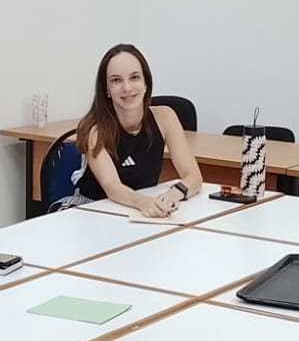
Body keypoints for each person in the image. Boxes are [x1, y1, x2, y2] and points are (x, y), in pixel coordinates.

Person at [69, 43, 204, 217]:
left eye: (134, 77)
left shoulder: (166, 117)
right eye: (116, 80)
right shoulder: (94, 129)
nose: (127, 88)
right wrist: (144, 203)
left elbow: (193, 176)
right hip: (92, 209)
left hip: (138, 209)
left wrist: (174, 194)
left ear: (146, 82)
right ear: (106, 89)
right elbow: (112, 186)